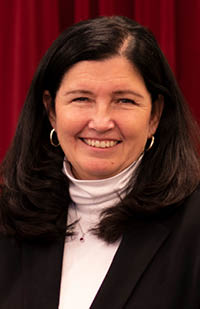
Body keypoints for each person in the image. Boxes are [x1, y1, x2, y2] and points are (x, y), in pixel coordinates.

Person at [0, 15, 200, 309]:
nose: (101, 122)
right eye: (82, 98)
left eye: (125, 101)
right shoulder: (9, 219)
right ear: (51, 110)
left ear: (154, 115)